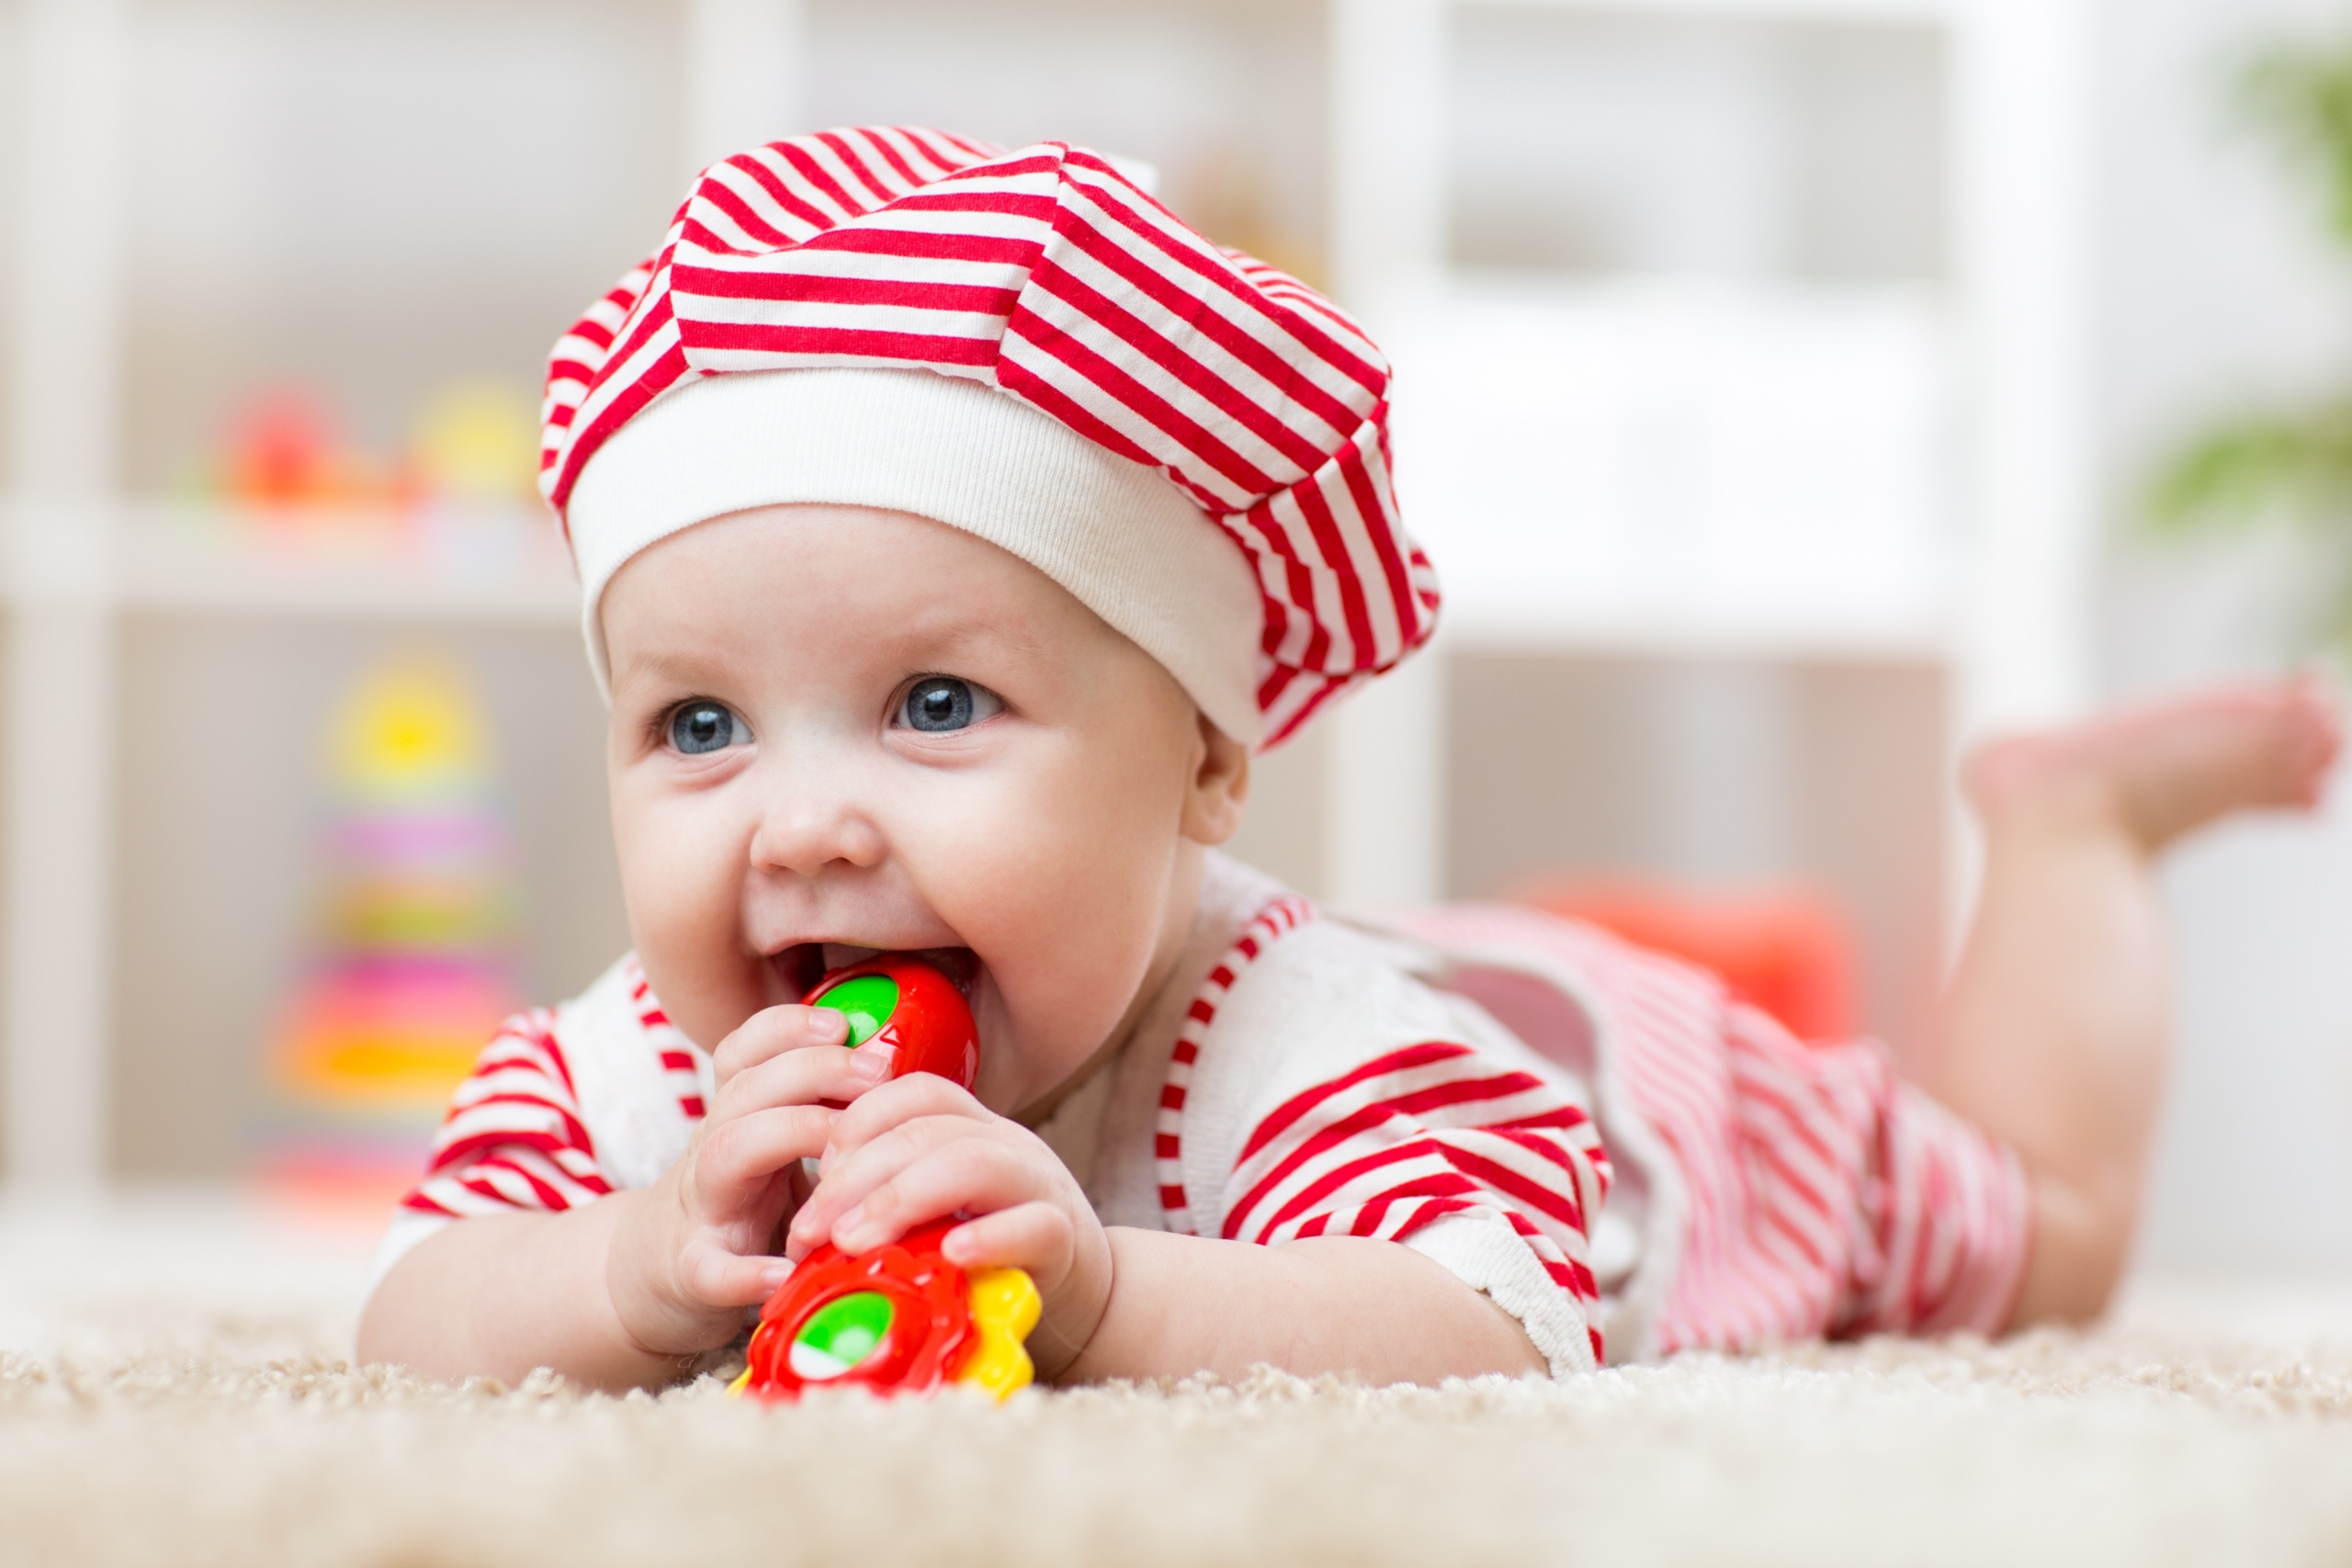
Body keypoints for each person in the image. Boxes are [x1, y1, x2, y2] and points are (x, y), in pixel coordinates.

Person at [355, 128, 2343, 1391]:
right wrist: (622, 1264)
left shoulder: (1310, 1055)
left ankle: (2061, 823)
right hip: (1448, 980)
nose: (799, 819)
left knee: (2048, 1242)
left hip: (1632, 1098)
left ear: (1208, 762)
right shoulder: (635, 1066)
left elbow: (1488, 1323)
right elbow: (409, 1304)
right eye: (697, 724)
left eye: (935, 704)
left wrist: (1114, 1294)